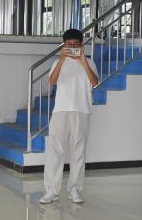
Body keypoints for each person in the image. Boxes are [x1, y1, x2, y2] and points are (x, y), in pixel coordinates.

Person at [41, 29, 99, 205]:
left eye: (76, 45)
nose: (72, 47)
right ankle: (51, 191)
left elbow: (95, 82)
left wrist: (83, 62)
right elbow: (52, 82)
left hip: (82, 110)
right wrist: (61, 59)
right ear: (64, 45)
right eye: (69, 45)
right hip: (61, 110)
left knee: (79, 152)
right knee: (55, 151)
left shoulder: (89, 62)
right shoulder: (58, 62)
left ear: (81, 44)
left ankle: (75, 189)